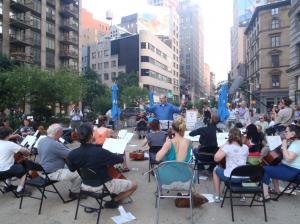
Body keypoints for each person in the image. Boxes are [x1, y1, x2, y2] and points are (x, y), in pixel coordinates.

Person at [67, 123, 137, 207]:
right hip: (101, 186)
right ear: (91, 136)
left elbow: (72, 169)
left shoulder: (72, 154)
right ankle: (114, 201)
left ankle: (114, 195)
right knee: (134, 185)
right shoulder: (100, 152)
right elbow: (120, 159)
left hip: (85, 185)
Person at [37, 123, 82, 199]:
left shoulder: (42, 140)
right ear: (57, 133)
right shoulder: (55, 144)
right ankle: (74, 192)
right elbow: (71, 155)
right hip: (51, 172)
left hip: (42, 169)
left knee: (70, 168)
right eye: (61, 133)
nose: (61, 135)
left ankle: (77, 186)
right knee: (79, 173)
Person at [261, 124, 300, 201]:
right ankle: (277, 190)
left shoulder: (297, 144)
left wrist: (284, 147)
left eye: (286, 131)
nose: (284, 133)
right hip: (286, 167)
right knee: (273, 165)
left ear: (293, 134)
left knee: (264, 169)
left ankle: (265, 195)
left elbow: (289, 159)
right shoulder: (293, 141)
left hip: (292, 171)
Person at [213, 128, 249, 202]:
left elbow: (216, 158)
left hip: (231, 177)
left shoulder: (227, 147)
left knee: (215, 169)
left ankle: (217, 195)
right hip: (244, 176)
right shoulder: (246, 147)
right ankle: (243, 196)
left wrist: (224, 144)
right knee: (240, 168)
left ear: (230, 136)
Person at [0, 127, 31, 196]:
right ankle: (19, 190)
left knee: (11, 164)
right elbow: (26, 151)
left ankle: (8, 186)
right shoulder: (10, 144)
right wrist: (28, 151)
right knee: (24, 169)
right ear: (8, 135)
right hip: (4, 172)